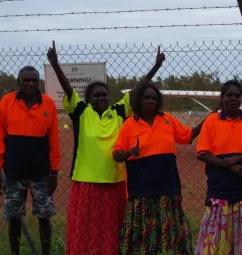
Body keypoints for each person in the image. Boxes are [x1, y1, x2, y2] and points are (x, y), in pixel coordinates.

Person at [46, 40, 165, 255]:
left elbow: (138, 90)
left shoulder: (119, 111)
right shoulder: (81, 112)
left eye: (104, 94)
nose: (101, 97)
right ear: (88, 98)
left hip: (114, 180)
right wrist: (55, 65)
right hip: (85, 181)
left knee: (111, 228)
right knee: (84, 229)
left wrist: (156, 67)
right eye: (96, 95)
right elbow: (68, 89)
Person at [113, 82, 213, 255]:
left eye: (153, 98)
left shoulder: (167, 119)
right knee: (144, 237)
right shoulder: (130, 124)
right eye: (146, 98)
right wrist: (130, 152)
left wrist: (211, 116)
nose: (150, 101)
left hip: (168, 190)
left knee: (169, 236)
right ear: (139, 100)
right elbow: (116, 155)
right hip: (141, 193)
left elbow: (188, 135)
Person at [194, 80, 242, 255]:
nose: (233, 98)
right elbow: (202, 153)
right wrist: (229, 166)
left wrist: (236, 159)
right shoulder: (211, 121)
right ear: (222, 99)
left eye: (237, 95)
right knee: (215, 245)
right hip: (219, 193)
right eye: (229, 95)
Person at [0, 65, 61, 255]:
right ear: (19, 82)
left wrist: (54, 171)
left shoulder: (48, 104)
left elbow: (54, 140)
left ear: (39, 82)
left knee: (44, 217)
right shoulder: (6, 102)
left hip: (41, 173)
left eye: (34, 80)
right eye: (26, 80)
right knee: (14, 218)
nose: (31, 83)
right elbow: (0, 136)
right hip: (14, 172)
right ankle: (15, 252)